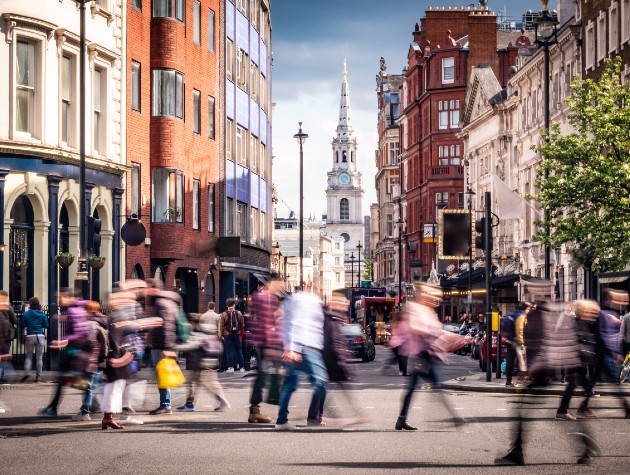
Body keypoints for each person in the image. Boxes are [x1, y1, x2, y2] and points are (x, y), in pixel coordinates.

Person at [496, 281, 597, 466]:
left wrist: (532, 367)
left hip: (549, 368)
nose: (532, 294)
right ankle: (587, 446)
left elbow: (550, 343)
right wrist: (527, 366)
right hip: (551, 367)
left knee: (526, 410)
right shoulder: (544, 311)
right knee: (535, 411)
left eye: (534, 290)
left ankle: (517, 452)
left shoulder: (550, 312)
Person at [395, 283, 468, 431]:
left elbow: (438, 333)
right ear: (422, 295)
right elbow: (414, 327)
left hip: (429, 356)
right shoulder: (413, 308)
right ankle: (455, 418)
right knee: (435, 388)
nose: (435, 298)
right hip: (421, 355)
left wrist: (457, 339)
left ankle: (401, 420)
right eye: (430, 294)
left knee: (414, 389)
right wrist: (429, 332)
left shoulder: (431, 312)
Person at [275, 289, 327, 431]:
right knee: (320, 381)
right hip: (306, 348)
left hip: (302, 347)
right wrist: (292, 348)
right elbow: (295, 324)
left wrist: (289, 347)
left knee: (290, 383)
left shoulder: (296, 301)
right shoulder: (305, 301)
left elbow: (285, 324)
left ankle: (282, 420)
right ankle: (313, 416)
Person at [39, 290, 90, 417]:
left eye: (60, 297)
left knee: (66, 379)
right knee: (68, 379)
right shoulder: (77, 308)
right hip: (78, 349)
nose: (58, 301)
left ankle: (87, 405)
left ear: (68, 297)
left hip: (72, 350)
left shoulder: (73, 311)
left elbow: (78, 332)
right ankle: (87, 404)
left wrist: (63, 341)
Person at [176, 305, 230, 413]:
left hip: (201, 363)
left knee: (206, 384)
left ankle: (222, 400)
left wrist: (174, 347)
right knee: (196, 383)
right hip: (204, 362)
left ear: (192, 322)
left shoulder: (197, 332)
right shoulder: (205, 331)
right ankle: (190, 403)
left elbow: (191, 345)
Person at [247, 278, 284, 423]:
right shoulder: (264, 298)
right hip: (266, 344)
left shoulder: (265, 298)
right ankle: (255, 411)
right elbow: (264, 324)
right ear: (271, 283)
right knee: (263, 376)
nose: (281, 287)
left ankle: (256, 409)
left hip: (266, 343)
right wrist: (269, 345)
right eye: (279, 284)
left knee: (265, 375)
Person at [146, 290, 180, 415]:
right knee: (163, 375)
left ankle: (165, 404)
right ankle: (166, 403)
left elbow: (166, 327)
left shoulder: (160, 303)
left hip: (161, 346)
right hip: (165, 345)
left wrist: (165, 348)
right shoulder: (169, 303)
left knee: (162, 376)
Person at [20, 297, 48, 383]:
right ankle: (38, 377)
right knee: (39, 358)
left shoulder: (26, 314)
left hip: (30, 336)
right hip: (40, 336)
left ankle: (27, 372)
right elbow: (46, 325)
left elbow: (22, 325)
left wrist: (23, 334)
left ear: (30, 304)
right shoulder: (42, 314)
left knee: (28, 356)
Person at [504, 302, 532, 387]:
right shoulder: (520, 316)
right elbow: (520, 329)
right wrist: (521, 342)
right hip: (517, 342)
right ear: (525, 309)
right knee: (522, 361)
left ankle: (509, 380)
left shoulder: (512, 314)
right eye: (528, 309)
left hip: (509, 340)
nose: (529, 311)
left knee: (511, 361)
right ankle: (522, 379)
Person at [219, 298, 245, 373]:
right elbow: (242, 325)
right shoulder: (239, 313)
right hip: (237, 335)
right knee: (239, 351)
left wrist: (222, 335)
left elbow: (221, 326)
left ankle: (231, 367)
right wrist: (240, 332)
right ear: (234, 305)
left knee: (229, 351)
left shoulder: (223, 314)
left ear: (227, 305)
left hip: (227, 335)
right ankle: (242, 367)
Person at [0, 290, 17, 383]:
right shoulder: (8, 307)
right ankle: (1, 376)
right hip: (6, 336)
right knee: (4, 356)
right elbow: (14, 320)